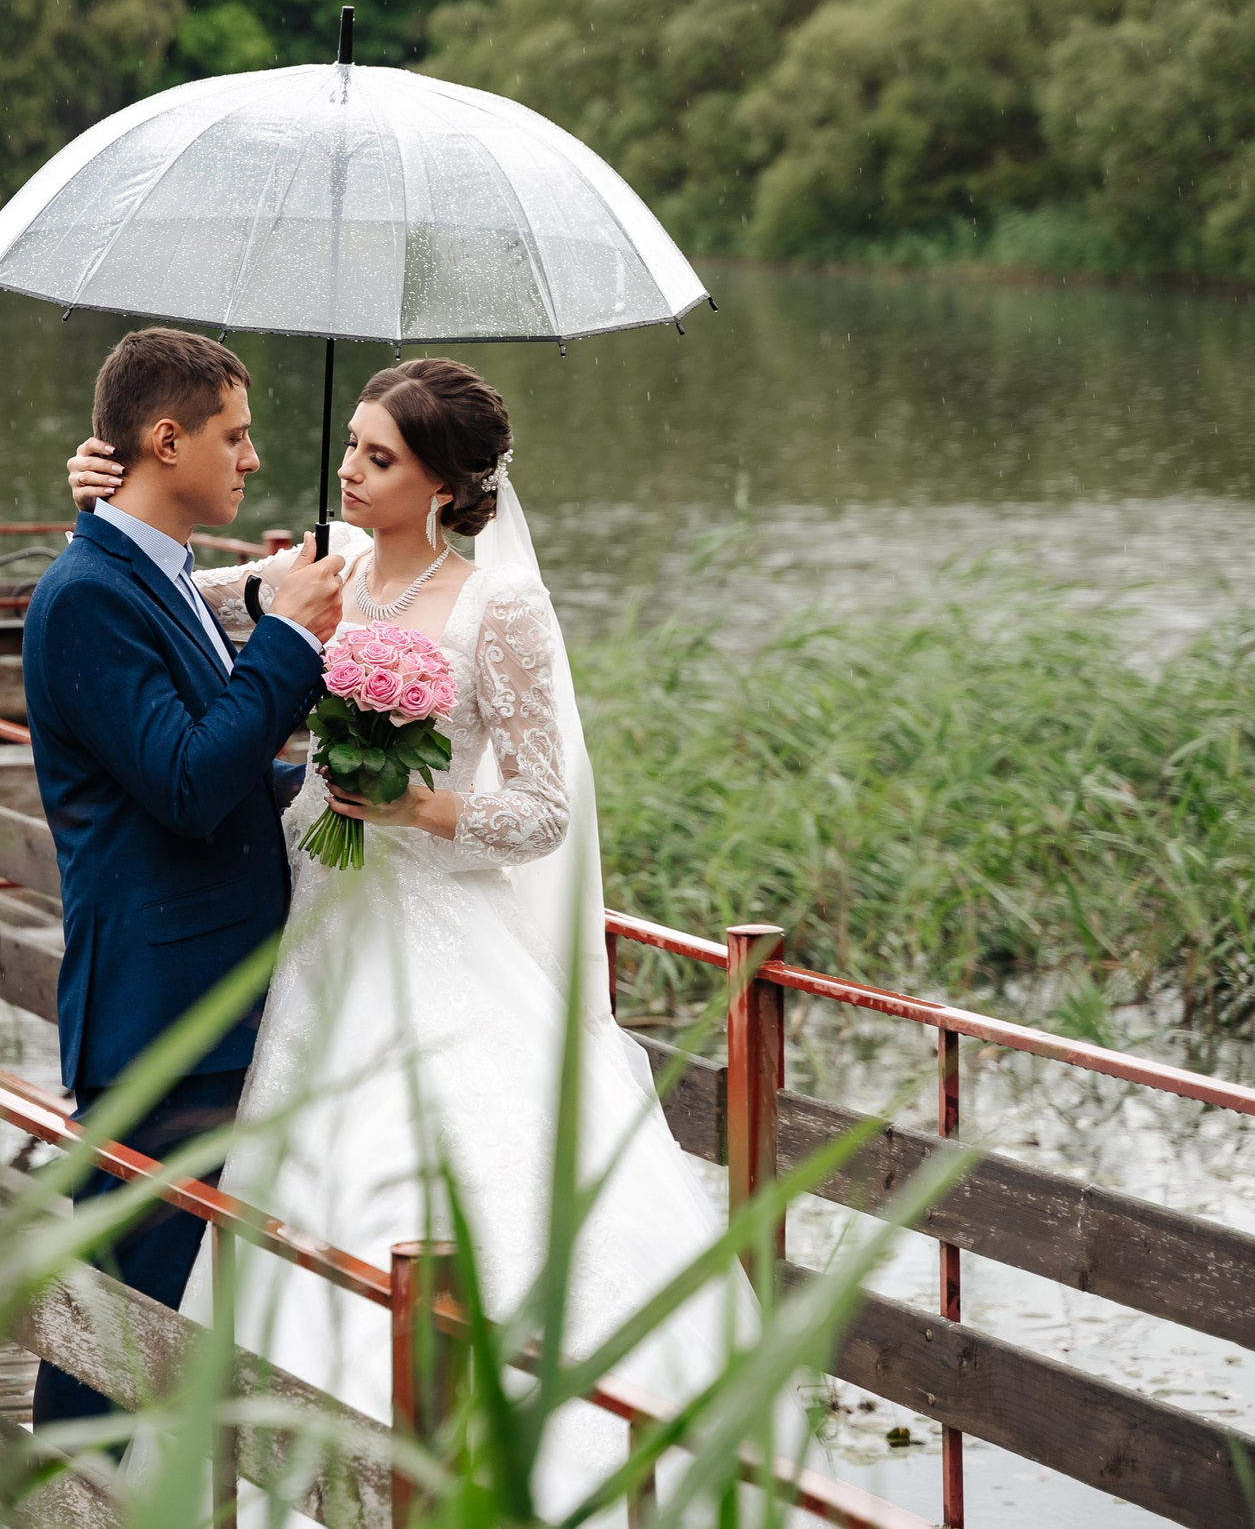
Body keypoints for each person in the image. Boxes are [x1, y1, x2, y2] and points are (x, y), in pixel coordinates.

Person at [65, 358, 762, 1517]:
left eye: (376, 456)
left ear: (444, 483)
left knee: (465, 1191)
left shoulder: (503, 607)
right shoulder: (314, 571)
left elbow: (542, 810)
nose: (345, 466)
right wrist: (95, 492)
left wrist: (420, 806)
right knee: (303, 1189)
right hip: (320, 938)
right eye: (349, 443)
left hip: (440, 929)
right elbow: (165, 587)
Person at [23, 326, 347, 1434]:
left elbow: (224, 760)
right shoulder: (87, 597)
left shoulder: (152, 576)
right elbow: (182, 780)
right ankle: (56, 1512)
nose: (251, 457)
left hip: (217, 997)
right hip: (163, 1016)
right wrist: (290, 641)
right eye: (234, 434)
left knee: (157, 1311)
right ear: (167, 440)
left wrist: (326, 781)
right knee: (113, 1315)